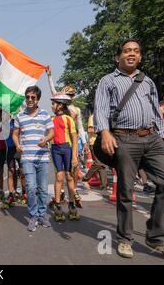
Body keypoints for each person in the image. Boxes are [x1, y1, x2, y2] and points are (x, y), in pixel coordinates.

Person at [94, 38, 164, 261]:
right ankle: (124, 238)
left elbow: (155, 112)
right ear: (118, 56)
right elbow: (101, 109)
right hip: (124, 139)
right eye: (126, 51)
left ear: (140, 56)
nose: (131, 54)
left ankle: (157, 236)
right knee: (125, 191)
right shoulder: (108, 81)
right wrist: (104, 132)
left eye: (135, 51)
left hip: (152, 138)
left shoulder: (148, 82)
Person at [12, 86, 54, 232]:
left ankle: (42, 214)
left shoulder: (45, 114)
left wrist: (46, 139)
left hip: (42, 158)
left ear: (38, 99)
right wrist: (17, 145)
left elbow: (51, 132)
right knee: (30, 188)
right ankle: (33, 216)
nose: (30, 100)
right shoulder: (20, 116)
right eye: (28, 97)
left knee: (42, 190)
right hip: (27, 157)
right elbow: (15, 134)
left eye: (33, 97)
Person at [47, 68, 88, 206]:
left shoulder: (76, 110)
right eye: (68, 94)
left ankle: (73, 192)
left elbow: (80, 128)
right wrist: (50, 77)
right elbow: (54, 92)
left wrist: (85, 142)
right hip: (58, 146)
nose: (70, 96)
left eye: (72, 94)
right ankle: (62, 196)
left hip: (71, 144)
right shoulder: (58, 110)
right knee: (60, 175)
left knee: (72, 173)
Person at [49, 93, 80, 222]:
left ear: (60, 105)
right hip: (55, 149)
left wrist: (75, 157)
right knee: (59, 177)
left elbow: (74, 138)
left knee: (69, 176)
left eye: (53, 103)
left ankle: (72, 204)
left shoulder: (69, 119)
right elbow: (48, 134)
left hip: (67, 148)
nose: (51, 106)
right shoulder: (51, 120)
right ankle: (58, 205)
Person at [83, 115, 108, 189]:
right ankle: (85, 178)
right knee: (98, 163)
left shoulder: (103, 117)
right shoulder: (92, 117)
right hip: (94, 143)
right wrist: (102, 130)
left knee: (102, 165)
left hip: (102, 143)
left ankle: (104, 185)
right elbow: (90, 130)